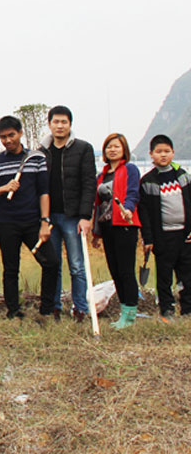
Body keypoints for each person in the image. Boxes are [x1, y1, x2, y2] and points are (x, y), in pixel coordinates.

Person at [0, 116, 58, 321]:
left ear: (20, 133)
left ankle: (47, 310)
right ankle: (14, 311)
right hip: (7, 223)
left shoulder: (36, 158)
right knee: (10, 268)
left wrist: (45, 221)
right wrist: (4, 188)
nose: (7, 140)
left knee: (51, 263)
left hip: (33, 223)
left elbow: (44, 192)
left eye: (11, 135)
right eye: (3, 137)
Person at [38, 105, 96, 322]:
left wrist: (86, 216)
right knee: (54, 264)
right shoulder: (41, 151)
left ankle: (80, 308)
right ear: (50, 124)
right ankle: (54, 307)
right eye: (56, 122)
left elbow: (89, 183)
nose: (60, 126)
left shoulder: (83, 148)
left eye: (64, 122)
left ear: (70, 124)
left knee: (76, 265)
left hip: (73, 216)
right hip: (48, 217)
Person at [92, 133, 141, 329]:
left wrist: (128, 208)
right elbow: (98, 205)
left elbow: (133, 193)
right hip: (107, 227)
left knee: (126, 270)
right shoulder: (102, 175)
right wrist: (96, 233)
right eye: (109, 147)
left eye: (116, 147)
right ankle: (124, 310)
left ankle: (130, 315)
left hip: (125, 224)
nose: (112, 150)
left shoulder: (130, 169)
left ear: (124, 150)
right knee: (115, 270)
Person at [139, 135, 191, 321]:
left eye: (166, 151)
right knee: (164, 276)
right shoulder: (147, 181)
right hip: (163, 237)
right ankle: (166, 309)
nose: (163, 155)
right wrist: (149, 239)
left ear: (173, 153)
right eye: (159, 152)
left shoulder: (183, 176)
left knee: (187, 273)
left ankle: (187, 309)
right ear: (151, 155)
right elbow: (143, 213)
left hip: (185, 235)